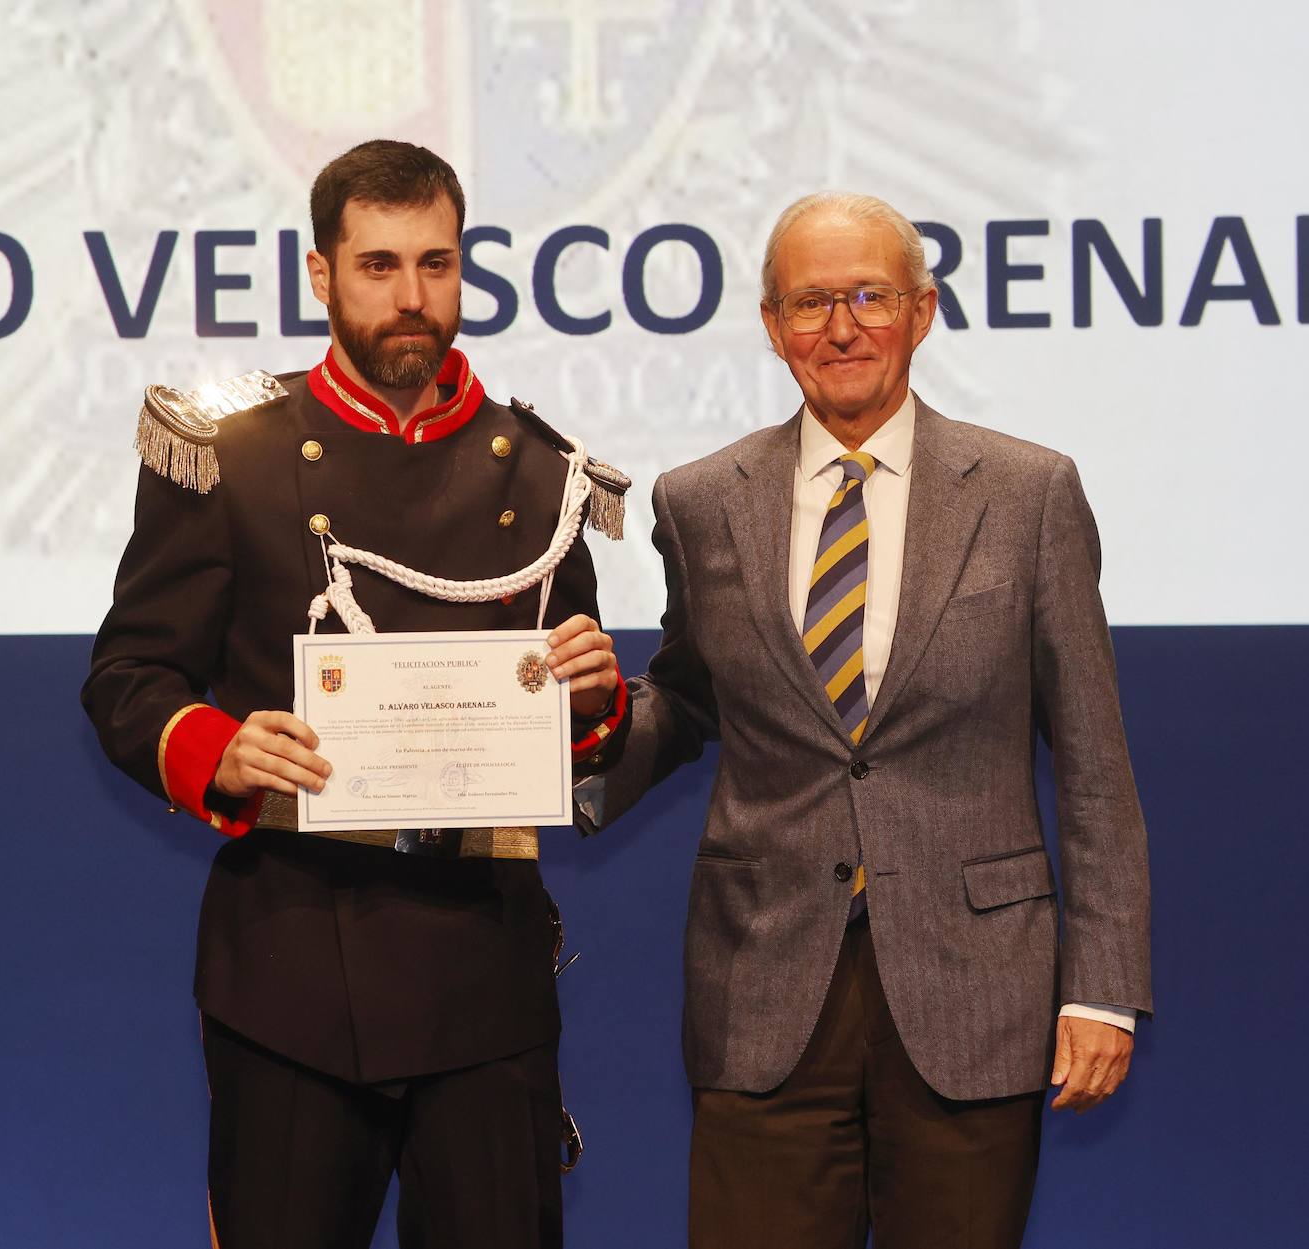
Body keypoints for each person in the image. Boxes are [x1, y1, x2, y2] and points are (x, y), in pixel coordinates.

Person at [578, 192, 1152, 1249]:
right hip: (763, 986)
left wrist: (1105, 990)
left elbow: (1094, 760)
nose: (840, 328)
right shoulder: (700, 500)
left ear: (922, 311)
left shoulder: (1028, 493)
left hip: (974, 988)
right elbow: (692, 696)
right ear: (769, 325)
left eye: (869, 298)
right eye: (809, 303)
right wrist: (586, 732)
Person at [83, 139, 624, 1249]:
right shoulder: (228, 449)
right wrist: (217, 749)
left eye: (436, 264)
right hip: (289, 958)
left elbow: (576, 731)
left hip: (484, 970)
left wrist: (593, 696)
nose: (411, 298)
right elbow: (129, 675)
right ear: (322, 274)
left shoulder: (543, 471)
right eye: (378, 266)